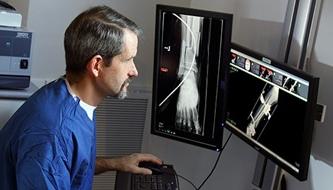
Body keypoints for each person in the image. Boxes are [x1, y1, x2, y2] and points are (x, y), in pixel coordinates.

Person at [0, 5, 162, 189]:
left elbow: (68, 165)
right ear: (96, 66)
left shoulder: (66, 95)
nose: (134, 71)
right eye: (127, 60)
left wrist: (115, 163)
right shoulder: (52, 132)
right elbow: (54, 159)